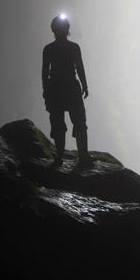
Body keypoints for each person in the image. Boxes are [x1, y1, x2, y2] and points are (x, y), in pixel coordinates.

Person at [42, 14, 92, 166]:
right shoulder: (74, 48)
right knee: (79, 120)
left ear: (53, 30)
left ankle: (59, 155)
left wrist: (46, 89)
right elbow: (80, 68)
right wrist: (84, 85)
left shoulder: (49, 49)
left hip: (55, 88)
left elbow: (44, 72)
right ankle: (83, 155)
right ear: (67, 30)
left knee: (57, 121)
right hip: (71, 86)